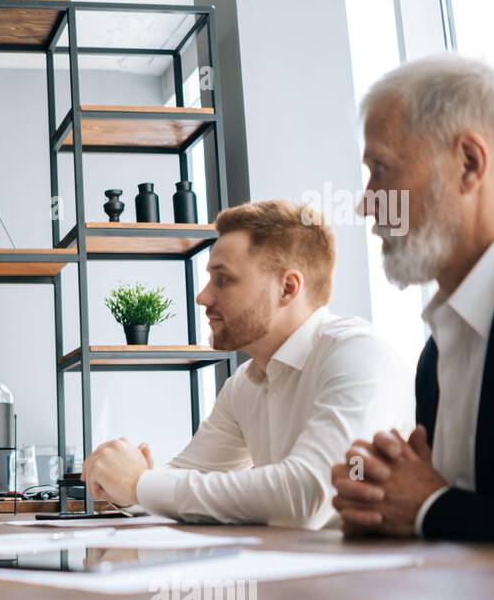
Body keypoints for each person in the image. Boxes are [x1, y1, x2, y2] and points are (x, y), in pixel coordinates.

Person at [331, 54, 494, 542]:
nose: (367, 203)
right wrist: (382, 498)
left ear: (468, 164)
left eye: (382, 170)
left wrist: (428, 507)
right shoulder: (437, 352)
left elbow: (442, 509)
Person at [81, 200, 413, 529]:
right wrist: (126, 486)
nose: (203, 297)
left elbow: (308, 495)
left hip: (374, 579)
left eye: (223, 280)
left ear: (287, 288)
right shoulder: (244, 383)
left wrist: (141, 485)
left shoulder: (358, 354)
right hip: (299, 573)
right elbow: (182, 478)